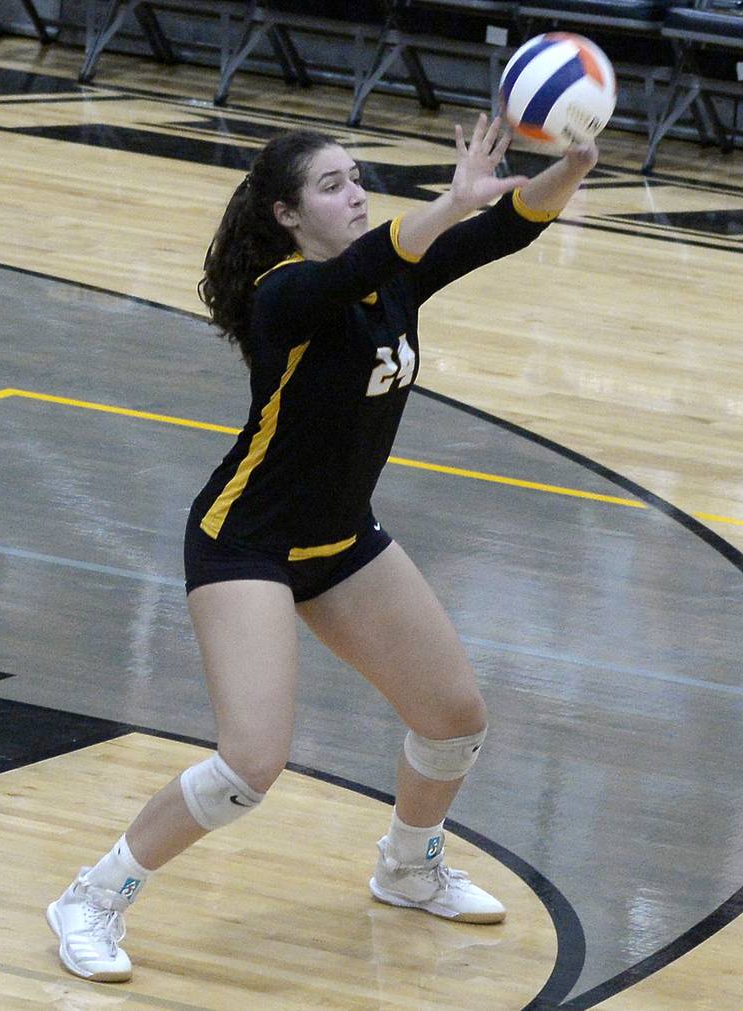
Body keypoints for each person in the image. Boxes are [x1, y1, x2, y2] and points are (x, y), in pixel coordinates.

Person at [46, 114, 598, 982]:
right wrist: (448, 202)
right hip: (247, 543)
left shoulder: (395, 283)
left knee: (454, 722)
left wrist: (575, 162)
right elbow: (361, 263)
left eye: (357, 177)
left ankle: (408, 866)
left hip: (342, 539)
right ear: (287, 214)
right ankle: (92, 895)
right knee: (250, 763)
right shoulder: (284, 294)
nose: (356, 192)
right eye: (334, 184)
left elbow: (510, 226)